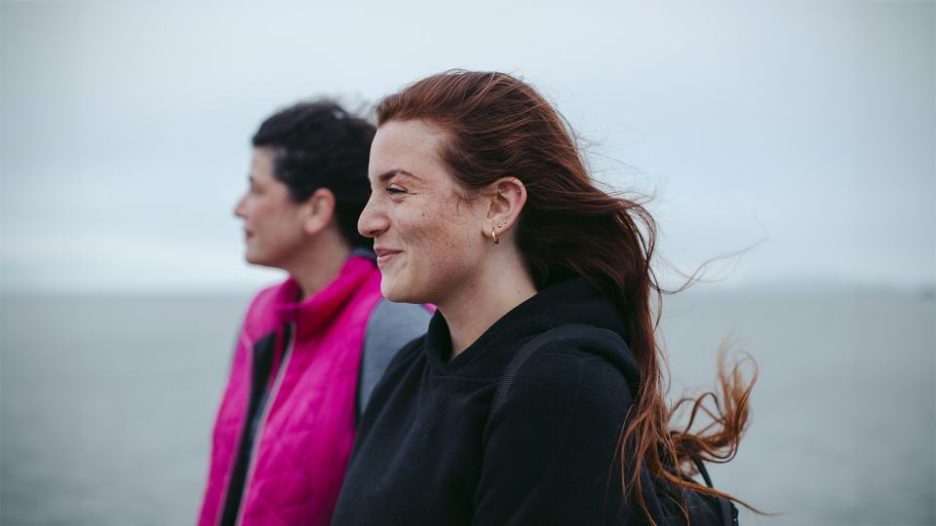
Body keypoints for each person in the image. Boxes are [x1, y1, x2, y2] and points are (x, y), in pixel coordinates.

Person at [332, 71, 755, 525]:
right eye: (373, 191)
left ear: (499, 205)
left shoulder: (562, 386)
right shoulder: (408, 369)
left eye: (396, 190)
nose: (367, 221)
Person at [197, 101, 431, 526]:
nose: (239, 208)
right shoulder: (262, 317)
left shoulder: (391, 323)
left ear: (317, 210)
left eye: (257, 189)